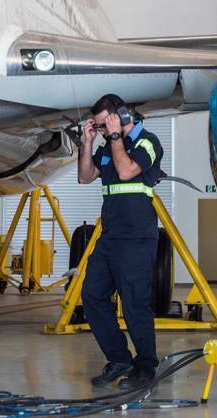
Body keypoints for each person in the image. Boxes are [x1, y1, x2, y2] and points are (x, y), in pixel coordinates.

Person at [77, 93, 164, 390]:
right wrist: (88, 142)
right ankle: (120, 360)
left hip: (137, 237)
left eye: (103, 125)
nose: (101, 131)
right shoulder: (105, 145)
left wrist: (114, 137)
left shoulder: (148, 142)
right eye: (98, 127)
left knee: (134, 304)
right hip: (110, 237)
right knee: (92, 296)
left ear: (122, 116)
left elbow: (127, 171)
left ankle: (146, 368)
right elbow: (85, 177)